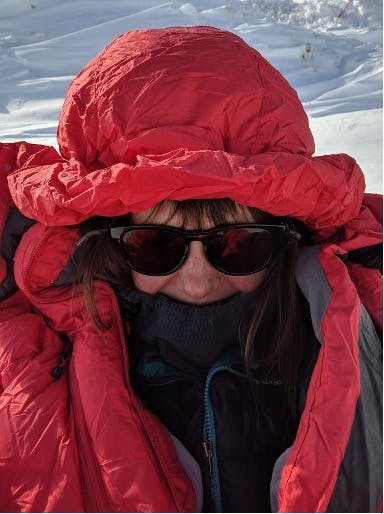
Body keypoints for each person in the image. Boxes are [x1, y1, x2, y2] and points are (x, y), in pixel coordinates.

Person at [0, 26, 382, 513]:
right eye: (156, 246)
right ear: (108, 244)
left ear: (289, 237)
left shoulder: (366, 327)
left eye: (239, 244)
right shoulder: (26, 368)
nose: (198, 283)